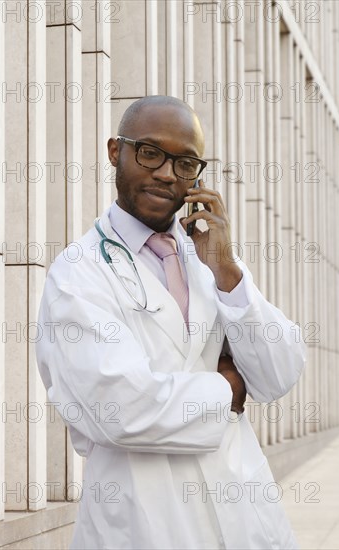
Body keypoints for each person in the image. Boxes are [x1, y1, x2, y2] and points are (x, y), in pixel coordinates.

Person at [36, 95, 306, 550]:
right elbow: (119, 408)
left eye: (185, 163)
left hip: (240, 509)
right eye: (149, 152)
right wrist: (229, 392)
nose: (166, 172)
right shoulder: (78, 272)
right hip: (144, 518)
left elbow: (279, 372)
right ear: (114, 151)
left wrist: (228, 274)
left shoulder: (212, 259)